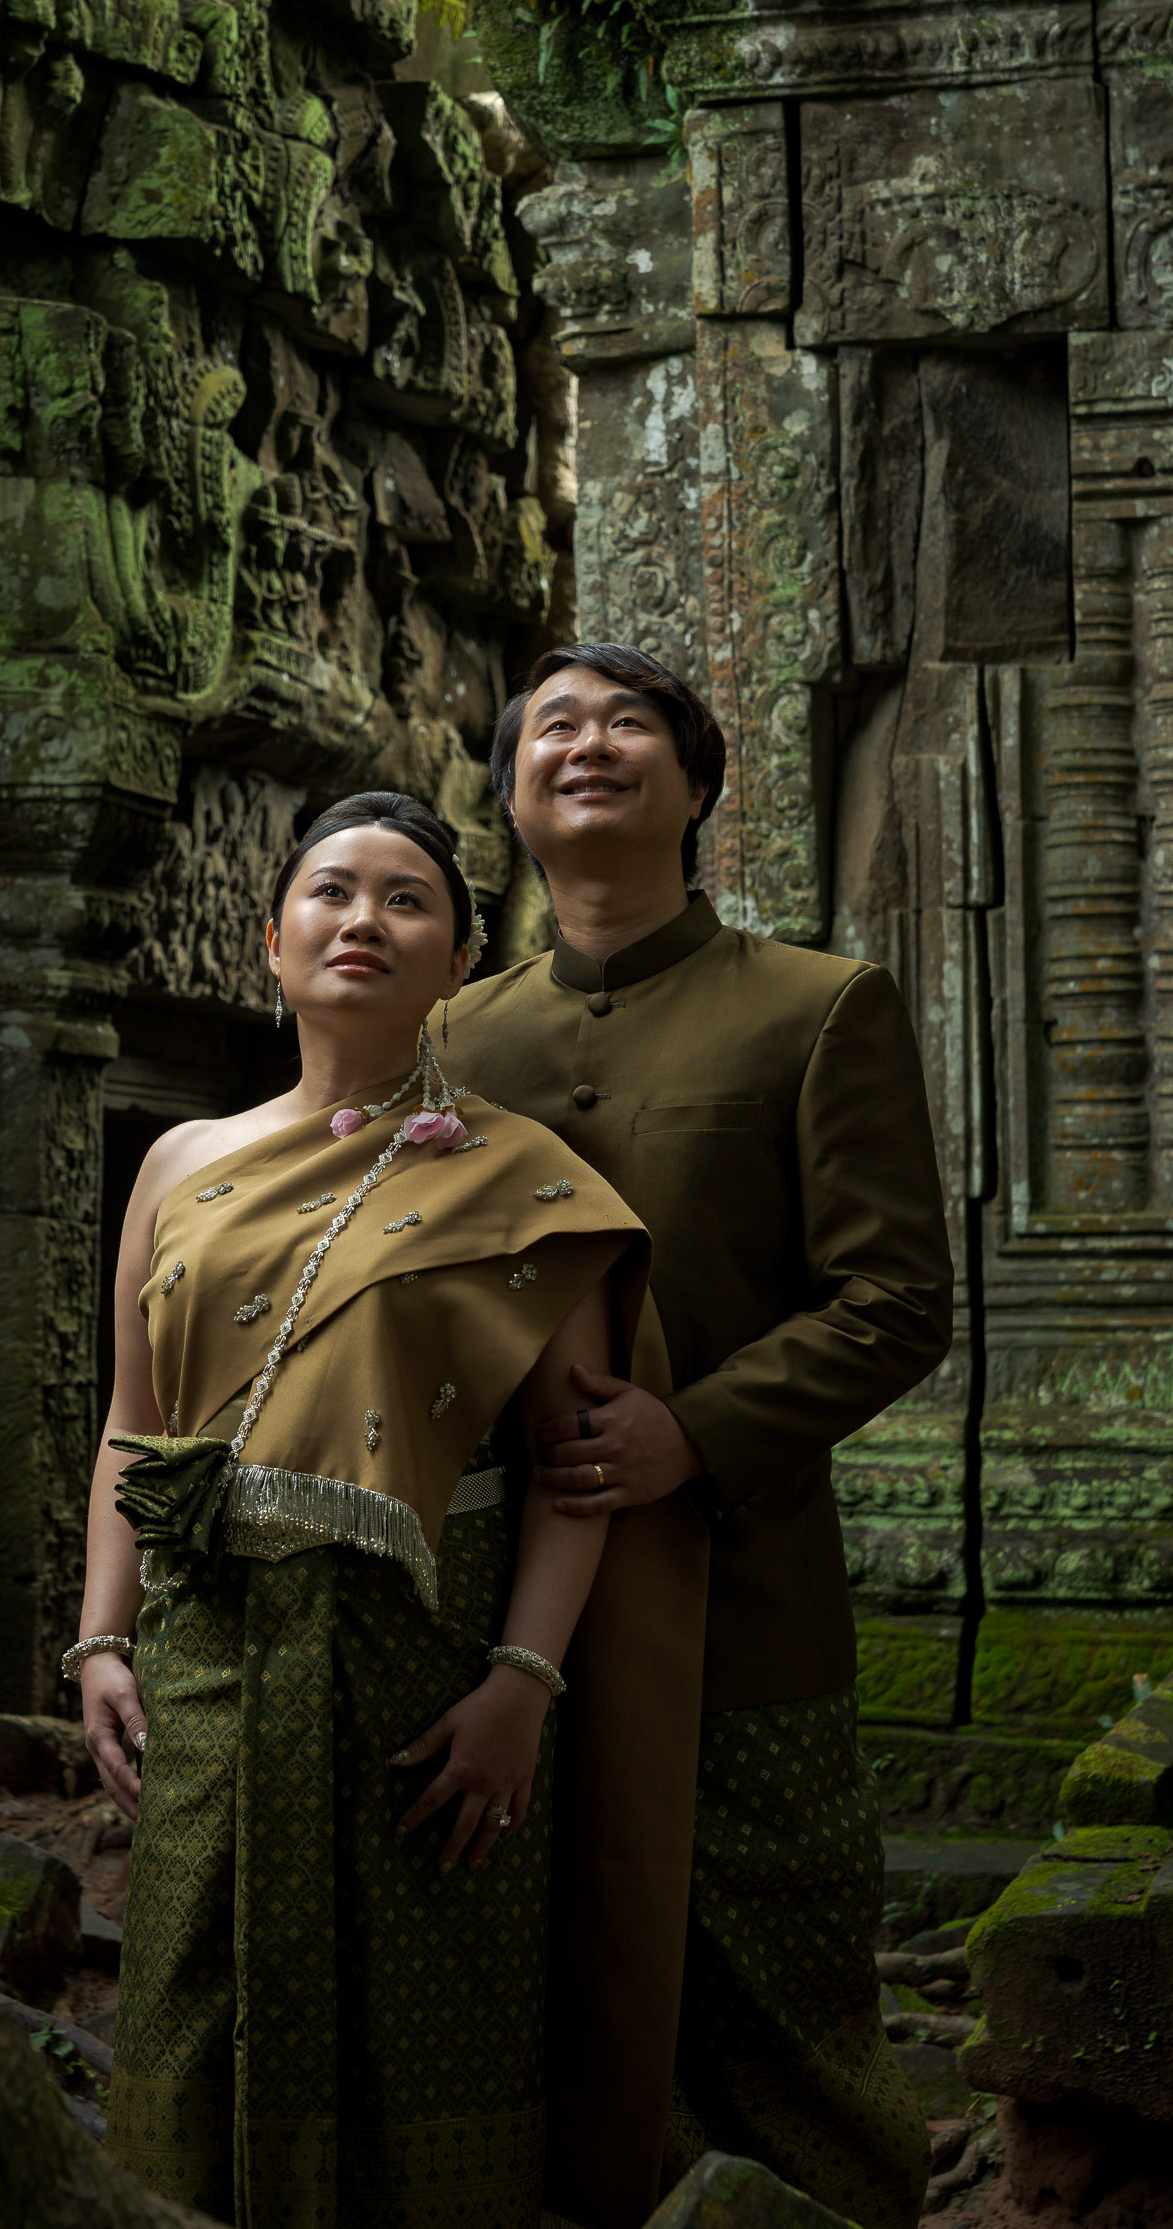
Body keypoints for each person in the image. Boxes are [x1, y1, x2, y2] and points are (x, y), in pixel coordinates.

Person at [71, 791, 707, 2229]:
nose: (364, 920)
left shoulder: (524, 1181)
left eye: (407, 898)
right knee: (189, 2011)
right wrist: (101, 1643)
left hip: (423, 1683)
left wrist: (521, 1690)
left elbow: (575, 1464)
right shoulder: (181, 1162)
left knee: (424, 2032)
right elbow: (134, 1422)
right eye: (332, 892)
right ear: (275, 938)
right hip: (213, 1658)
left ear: (461, 959)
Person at [445, 645, 955, 2229]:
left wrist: (697, 1433)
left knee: (772, 1964)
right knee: (536, 1975)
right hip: (495, 1611)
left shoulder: (818, 1007)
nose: (587, 745)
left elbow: (895, 1301)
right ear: (517, 797)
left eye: (630, 722)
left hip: (744, 1588)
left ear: (698, 781)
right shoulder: (452, 1041)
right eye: (553, 729)